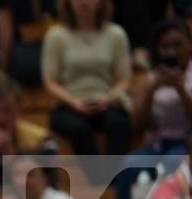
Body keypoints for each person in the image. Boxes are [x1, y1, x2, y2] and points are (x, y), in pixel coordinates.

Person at [42, 0, 134, 158]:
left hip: (106, 101)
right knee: (77, 128)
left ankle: (111, 178)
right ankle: (100, 179)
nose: (84, 2)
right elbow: (50, 82)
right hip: (68, 103)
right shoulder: (55, 35)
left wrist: (107, 98)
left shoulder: (116, 34)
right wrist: (74, 102)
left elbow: (124, 80)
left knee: (118, 124)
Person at [130, 17, 192, 156]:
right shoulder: (149, 80)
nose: (171, 52)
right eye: (165, 47)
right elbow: (136, 125)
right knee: (130, 165)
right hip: (157, 145)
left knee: (173, 163)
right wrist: (151, 91)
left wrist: (181, 90)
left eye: (177, 45)